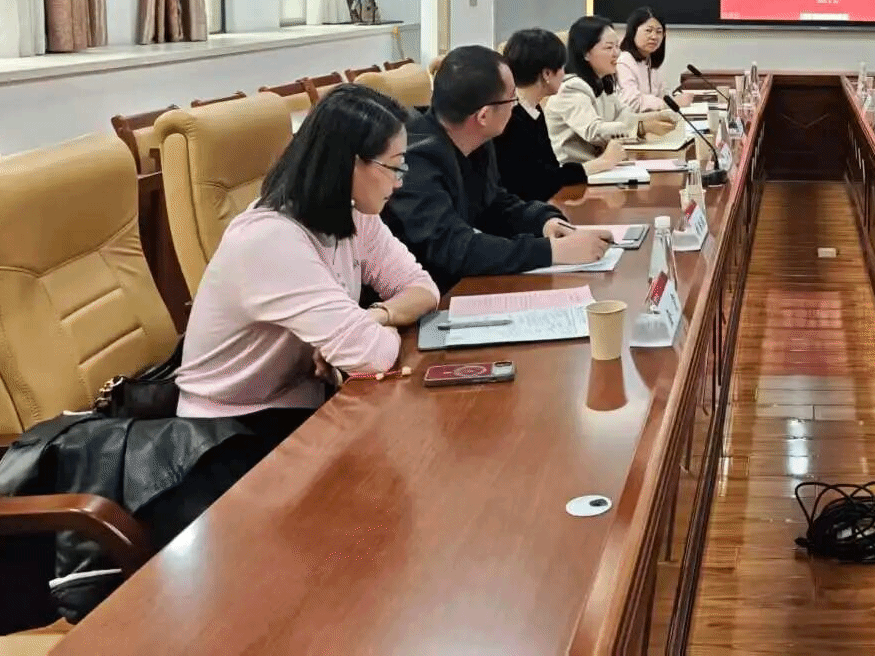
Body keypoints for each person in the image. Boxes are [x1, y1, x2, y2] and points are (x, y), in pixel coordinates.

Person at [178, 84, 441, 430]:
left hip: (302, 401)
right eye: (394, 167)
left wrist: (376, 316)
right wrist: (357, 336)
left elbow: (423, 288)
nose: (399, 183)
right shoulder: (270, 241)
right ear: (350, 164)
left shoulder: (354, 214)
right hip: (230, 426)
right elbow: (372, 356)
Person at [384, 45, 613, 292]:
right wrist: (550, 252)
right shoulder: (413, 157)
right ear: (483, 116)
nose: (515, 106)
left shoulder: (476, 139)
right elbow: (452, 248)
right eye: (512, 98)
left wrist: (544, 221)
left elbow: (493, 203)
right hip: (426, 295)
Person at [497, 27, 629, 200]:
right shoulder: (510, 119)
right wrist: (602, 162)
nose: (564, 74)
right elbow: (539, 181)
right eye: (561, 67)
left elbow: (550, 172)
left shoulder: (533, 111)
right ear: (546, 74)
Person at [547, 14, 678, 164]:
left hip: (604, 166)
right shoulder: (571, 88)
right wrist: (641, 126)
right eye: (609, 47)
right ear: (586, 53)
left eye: (617, 46)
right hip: (578, 171)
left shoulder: (602, 81)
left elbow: (622, 115)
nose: (617, 53)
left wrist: (654, 118)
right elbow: (594, 131)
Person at [617, 7, 691, 112]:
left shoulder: (651, 61)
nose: (654, 36)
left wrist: (674, 99)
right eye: (648, 30)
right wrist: (670, 104)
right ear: (633, 32)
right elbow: (632, 102)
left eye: (659, 32)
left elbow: (662, 94)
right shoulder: (624, 61)